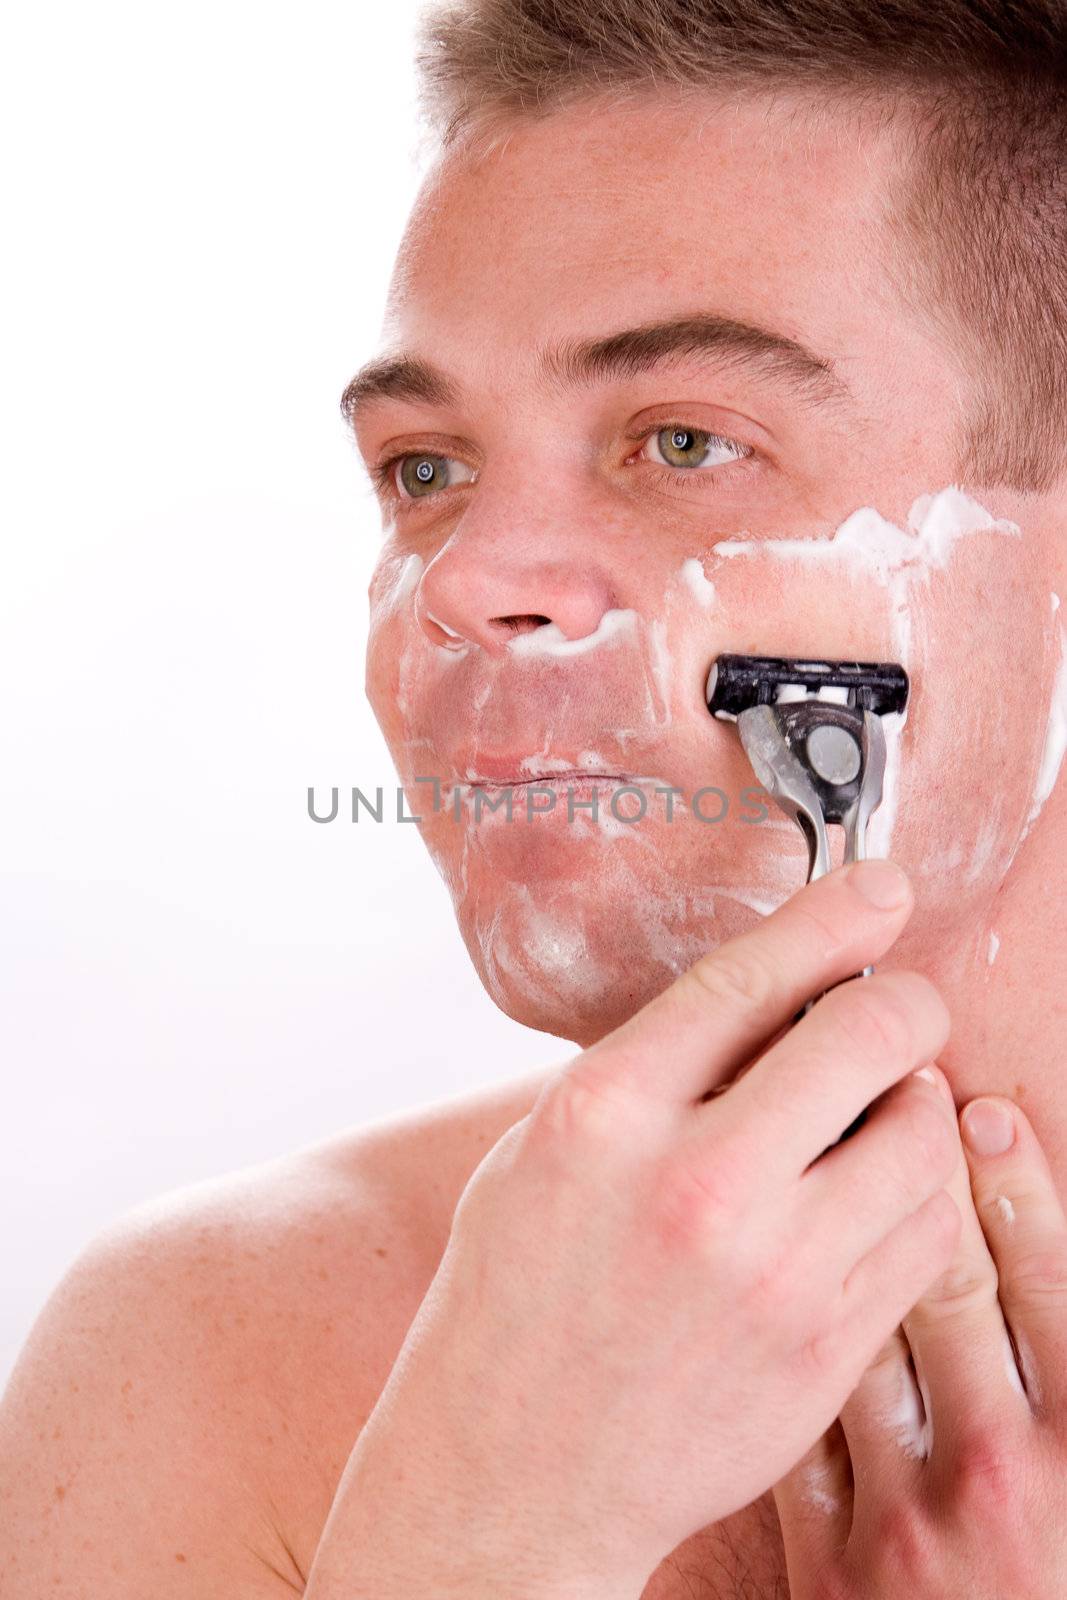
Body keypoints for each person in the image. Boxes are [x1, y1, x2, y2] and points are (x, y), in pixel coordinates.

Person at [3, 0, 1067, 1594]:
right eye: (426, 468)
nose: (465, 580)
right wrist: (490, 1524)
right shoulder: (218, 1359)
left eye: (683, 438)